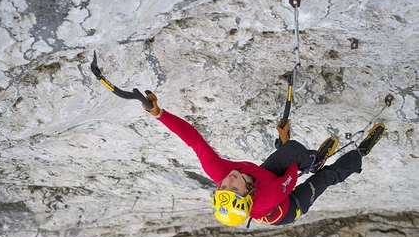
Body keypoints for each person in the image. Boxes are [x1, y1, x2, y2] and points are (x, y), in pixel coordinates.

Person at [143, 93, 385, 227]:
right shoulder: (267, 197)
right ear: (246, 194)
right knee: (325, 177)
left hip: (264, 178)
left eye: (222, 188)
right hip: (288, 205)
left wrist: (159, 113)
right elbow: (290, 176)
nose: (228, 180)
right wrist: (285, 147)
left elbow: (194, 140)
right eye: (233, 188)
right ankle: (358, 156)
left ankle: (313, 160)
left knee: (293, 151)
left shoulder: (220, 172)